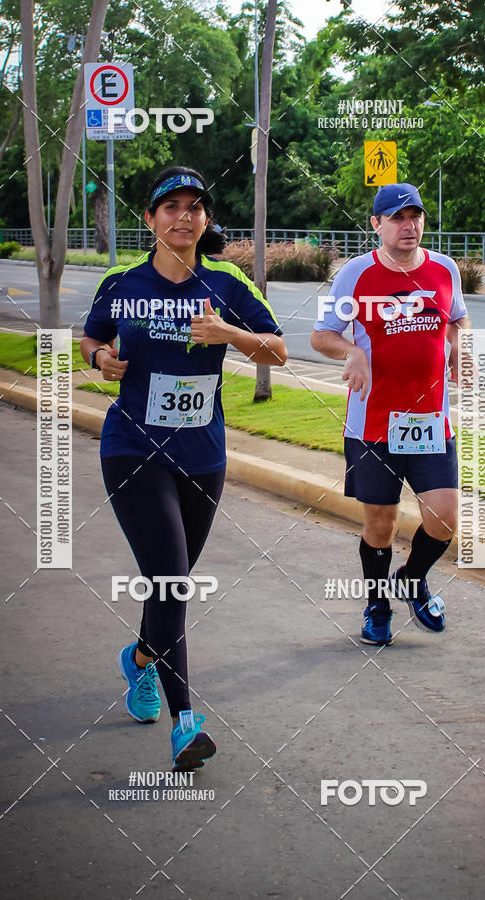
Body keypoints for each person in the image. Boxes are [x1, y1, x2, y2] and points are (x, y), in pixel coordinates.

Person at [80, 166, 287, 770]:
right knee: (172, 580)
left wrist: (227, 331)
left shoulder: (225, 280)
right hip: (133, 449)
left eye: (195, 207)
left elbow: (277, 346)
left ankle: (141, 660)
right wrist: (99, 357)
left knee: (170, 583)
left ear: (205, 220)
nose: (184, 216)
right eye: (170, 206)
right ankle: (185, 723)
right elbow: (89, 337)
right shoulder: (122, 283)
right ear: (150, 219)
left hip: (203, 455)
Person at [311, 182, 470, 646]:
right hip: (373, 424)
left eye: (416, 215)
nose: (410, 225)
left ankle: (412, 578)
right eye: (398, 217)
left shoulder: (444, 268)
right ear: (376, 224)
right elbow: (322, 334)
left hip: (430, 423)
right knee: (380, 523)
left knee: (444, 518)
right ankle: (377, 605)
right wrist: (350, 352)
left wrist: (459, 343)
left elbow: (458, 318)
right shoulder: (355, 274)